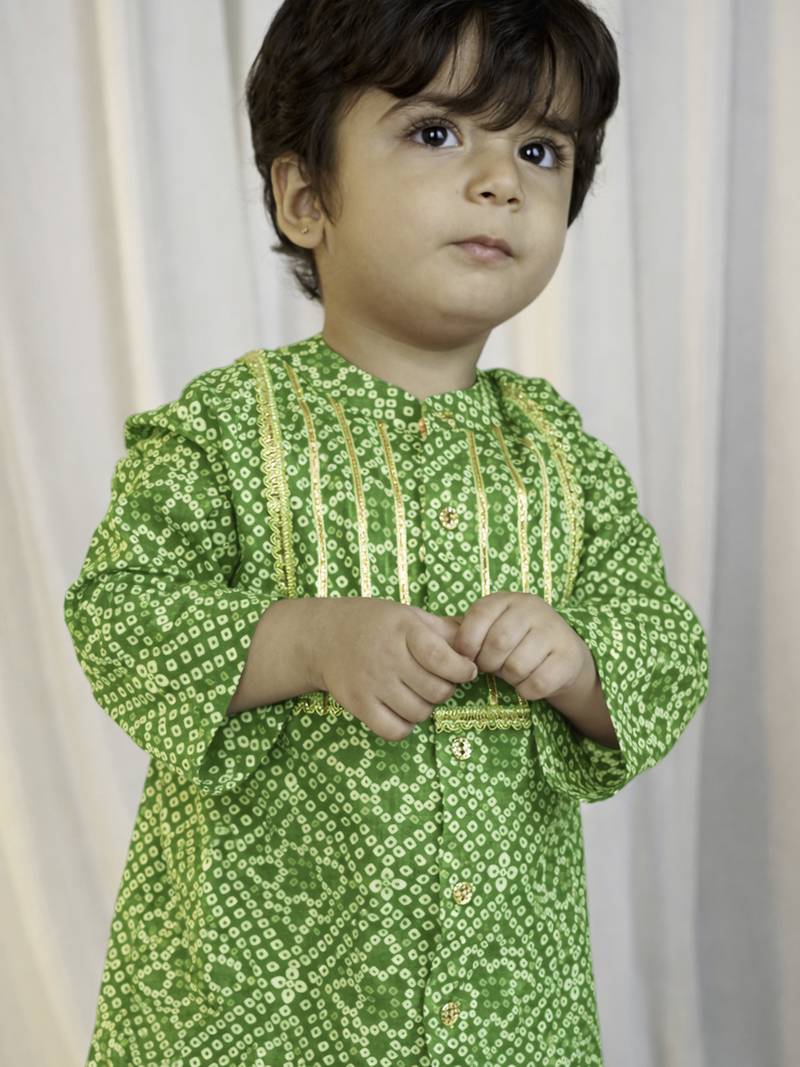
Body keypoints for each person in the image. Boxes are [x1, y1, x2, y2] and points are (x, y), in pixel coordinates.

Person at [63, 2, 710, 1064]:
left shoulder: (562, 456)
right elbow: (123, 613)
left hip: (505, 1006)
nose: (500, 181)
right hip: (255, 1005)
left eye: (540, 150)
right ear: (306, 198)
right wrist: (308, 640)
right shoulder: (227, 429)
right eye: (436, 131)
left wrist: (579, 661)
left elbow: (666, 650)